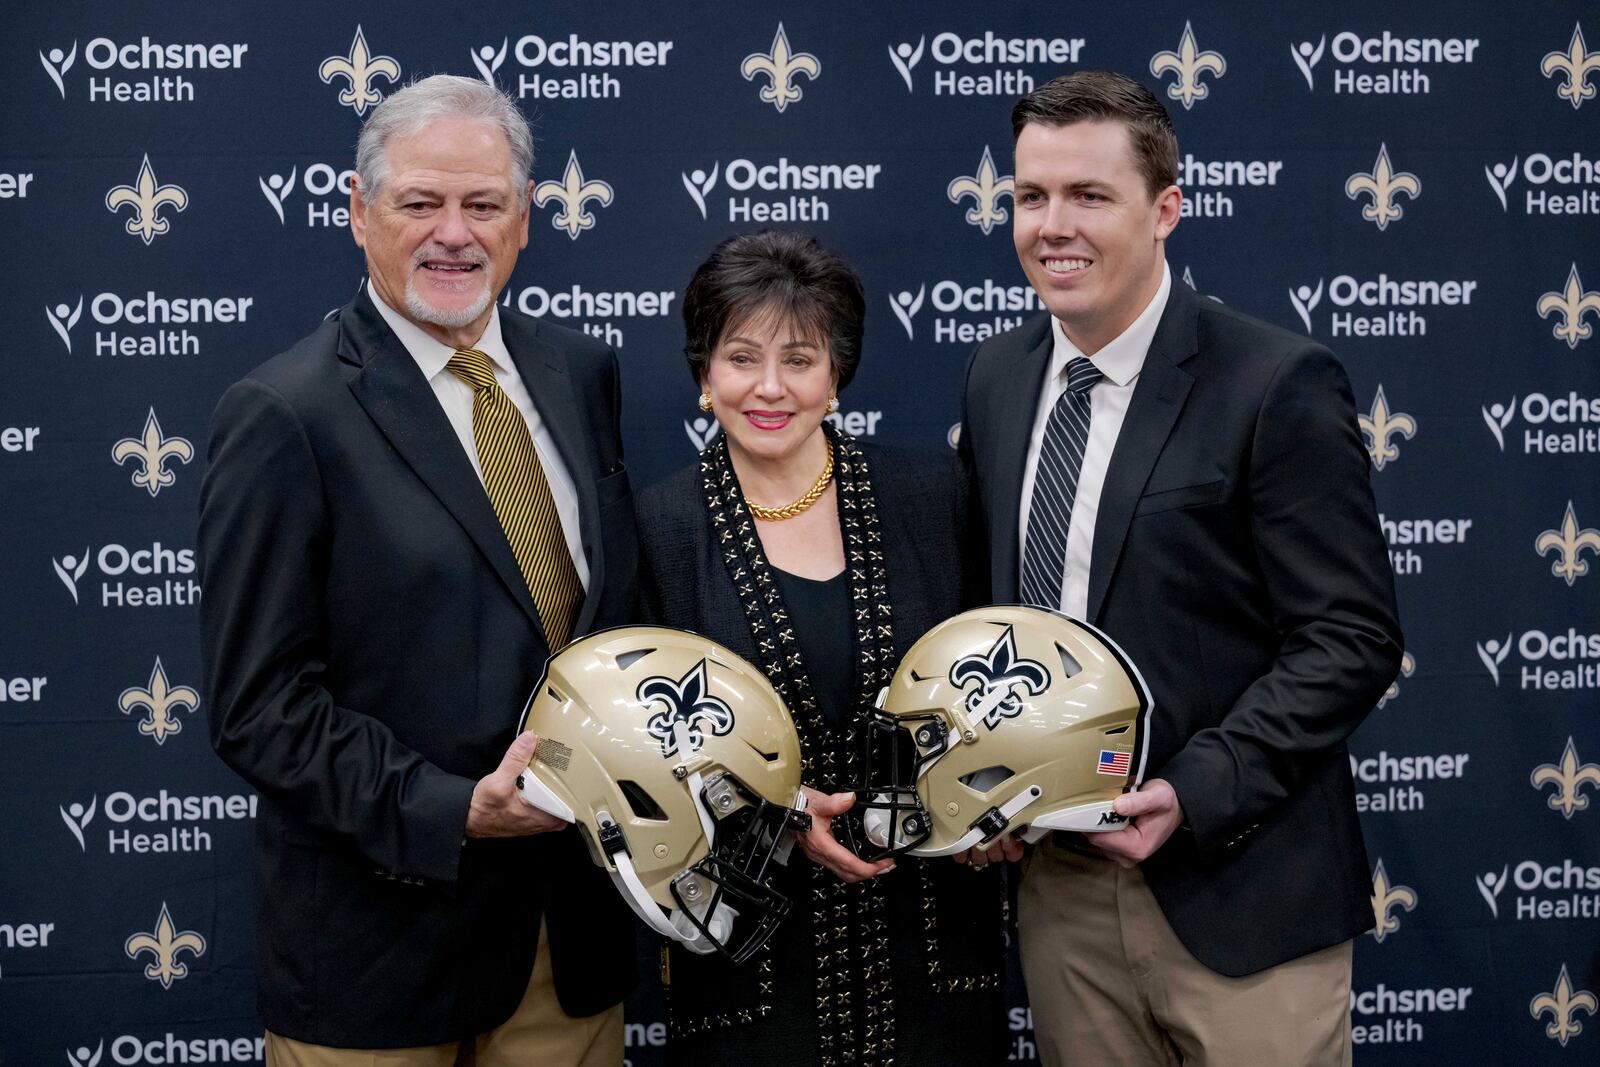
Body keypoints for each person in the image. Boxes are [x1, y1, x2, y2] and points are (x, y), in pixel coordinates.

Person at [958, 71, 1404, 1066]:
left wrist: (1194, 791)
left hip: (1240, 895)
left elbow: (1351, 634)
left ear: (1166, 208)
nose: (1051, 225)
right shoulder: (996, 376)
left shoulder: (1274, 382)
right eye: (1030, 196)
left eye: (1088, 195)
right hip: (1060, 894)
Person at [198, 75, 637, 1066]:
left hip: (564, 948)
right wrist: (453, 810)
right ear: (359, 214)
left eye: (483, 204)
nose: (455, 233)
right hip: (377, 954)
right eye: (419, 203)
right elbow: (256, 705)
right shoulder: (285, 414)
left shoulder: (579, 372)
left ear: (525, 220)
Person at [637, 230, 1006, 1066]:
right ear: (704, 375)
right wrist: (782, 811)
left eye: (800, 359)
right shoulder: (657, 529)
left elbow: (992, 686)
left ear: (836, 376)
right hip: (753, 963)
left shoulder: (932, 497)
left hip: (933, 947)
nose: (770, 387)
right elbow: (642, 744)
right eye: (741, 357)